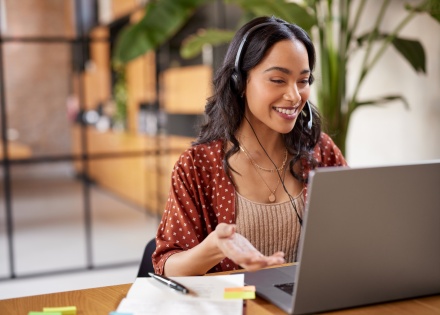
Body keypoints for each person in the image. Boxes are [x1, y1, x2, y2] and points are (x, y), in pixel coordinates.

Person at [152, 16, 347, 276]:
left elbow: (352, 234)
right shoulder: (196, 165)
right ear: (239, 82)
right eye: (278, 80)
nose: (294, 95)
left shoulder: (321, 151)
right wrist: (214, 248)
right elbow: (167, 265)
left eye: (303, 81)